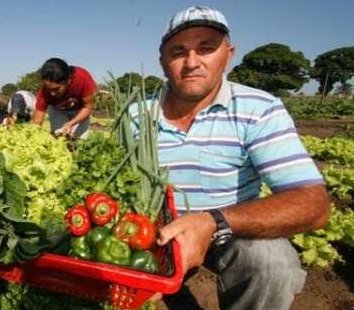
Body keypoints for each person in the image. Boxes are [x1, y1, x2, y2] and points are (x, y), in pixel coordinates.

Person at [138, 6, 330, 310]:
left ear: (228, 53)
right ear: (162, 62)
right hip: (150, 231)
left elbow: (313, 203)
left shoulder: (259, 108)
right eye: (178, 51)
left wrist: (212, 221)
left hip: (228, 232)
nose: (191, 63)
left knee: (272, 265)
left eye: (206, 48)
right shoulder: (135, 115)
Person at [31, 58, 97, 139]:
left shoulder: (82, 78)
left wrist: (71, 123)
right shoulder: (44, 91)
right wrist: (33, 135)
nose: (52, 93)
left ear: (68, 81)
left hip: (80, 110)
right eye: (48, 89)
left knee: (79, 141)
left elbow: (88, 107)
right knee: (60, 137)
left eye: (56, 89)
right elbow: (38, 115)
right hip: (58, 110)